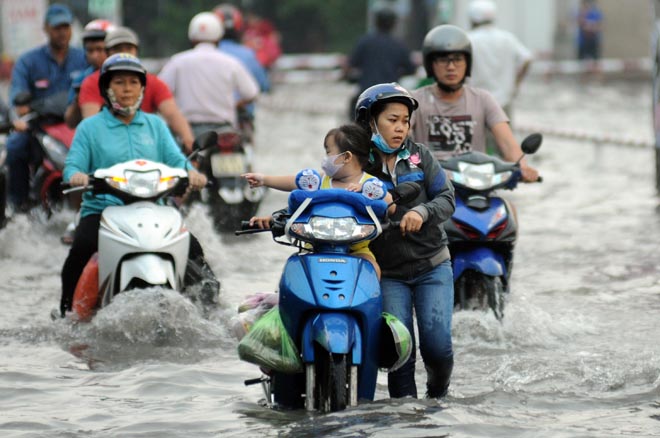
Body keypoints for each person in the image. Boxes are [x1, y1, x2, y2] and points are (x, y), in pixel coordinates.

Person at [59, 53, 217, 317]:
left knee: (193, 248)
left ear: (142, 88)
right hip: (103, 209)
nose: (127, 89)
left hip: (154, 206)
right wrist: (77, 175)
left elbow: (177, 160)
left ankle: (209, 309)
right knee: (81, 248)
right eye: (119, 83)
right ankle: (67, 314)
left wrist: (192, 174)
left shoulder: (155, 124)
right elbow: (72, 165)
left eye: (134, 83)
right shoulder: (89, 128)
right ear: (107, 88)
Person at [355, 82, 456, 399]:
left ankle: (437, 400)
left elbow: (448, 198)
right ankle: (406, 424)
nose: (400, 128)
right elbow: (325, 191)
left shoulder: (420, 156)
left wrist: (424, 212)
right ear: (370, 121)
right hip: (388, 274)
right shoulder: (356, 165)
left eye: (405, 121)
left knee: (437, 347)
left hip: (432, 266)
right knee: (401, 353)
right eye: (392, 120)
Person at [242, 123, 393, 278]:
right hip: (314, 248)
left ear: (346, 157)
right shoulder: (321, 180)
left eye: (328, 153)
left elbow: (389, 201)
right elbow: (294, 182)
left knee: (372, 269)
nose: (325, 159)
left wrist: (365, 189)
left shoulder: (370, 184)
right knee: (294, 271)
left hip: (356, 250)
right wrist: (264, 180)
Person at [410, 24, 539, 182]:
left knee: (507, 206)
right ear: (431, 64)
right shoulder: (414, 101)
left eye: (457, 60)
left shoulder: (483, 99)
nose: (451, 67)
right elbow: (400, 139)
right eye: (443, 60)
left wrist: (523, 166)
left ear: (467, 63)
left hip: (476, 186)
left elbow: (507, 143)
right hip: (430, 188)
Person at [6, 3, 87, 211]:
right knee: (15, 146)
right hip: (40, 129)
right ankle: (18, 206)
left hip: (78, 127)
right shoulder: (28, 61)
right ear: (46, 29)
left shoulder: (84, 59)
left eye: (66, 27)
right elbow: (18, 98)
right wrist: (22, 111)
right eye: (57, 27)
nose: (62, 32)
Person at [77, 26, 196, 152]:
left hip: (147, 147)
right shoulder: (92, 83)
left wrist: (188, 140)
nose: (124, 53)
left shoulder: (153, 83)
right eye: (117, 49)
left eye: (129, 48)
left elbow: (172, 114)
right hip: (109, 148)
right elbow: (92, 123)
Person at [158, 12, 259, 138]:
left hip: (188, 131)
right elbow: (251, 93)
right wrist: (234, 105)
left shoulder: (178, 62)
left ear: (192, 36)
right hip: (225, 131)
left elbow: (159, 92)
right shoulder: (231, 62)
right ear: (218, 36)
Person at [345, 6, 416, 120]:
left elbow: (350, 65)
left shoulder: (365, 42)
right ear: (394, 24)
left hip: (366, 95)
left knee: (354, 128)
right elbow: (411, 69)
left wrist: (350, 77)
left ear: (376, 22)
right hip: (391, 96)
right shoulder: (399, 45)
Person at [467, 0, 532, 120]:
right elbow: (527, 58)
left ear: (472, 19)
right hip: (504, 102)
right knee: (505, 137)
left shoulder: (469, 40)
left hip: (476, 102)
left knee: (479, 138)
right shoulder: (507, 38)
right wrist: (516, 83)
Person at [214, 3, 270, 121]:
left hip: (210, 117)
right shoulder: (248, 54)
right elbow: (263, 85)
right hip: (241, 119)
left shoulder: (202, 56)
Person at [64, 19, 115, 129]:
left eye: (100, 49)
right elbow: (70, 122)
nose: (94, 56)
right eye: (90, 50)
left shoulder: (128, 75)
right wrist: (78, 99)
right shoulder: (81, 80)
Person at [576, 0, 603, 76]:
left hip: (593, 41)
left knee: (596, 62)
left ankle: (598, 80)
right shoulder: (580, 13)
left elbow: (598, 26)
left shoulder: (596, 13)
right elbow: (580, 24)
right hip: (583, 42)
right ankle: (583, 80)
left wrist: (589, 26)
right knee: (581, 63)